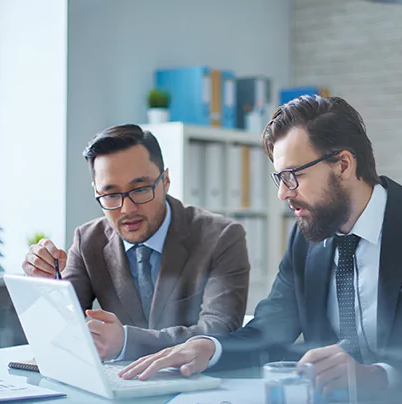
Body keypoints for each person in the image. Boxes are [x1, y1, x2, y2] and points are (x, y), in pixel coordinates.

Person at [118, 96, 402, 396]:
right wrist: (208, 347)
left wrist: (378, 377)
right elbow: (270, 329)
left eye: (293, 177)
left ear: (343, 164)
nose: (283, 195)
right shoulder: (308, 239)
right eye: (279, 179)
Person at [22, 124, 249, 362]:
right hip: (117, 384)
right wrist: (46, 286)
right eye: (111, 195)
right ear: (96, 192)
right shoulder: (88, 240)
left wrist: (128, 342)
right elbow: (60, 332)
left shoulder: (222, 237)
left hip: (195, 385)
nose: (127, 209)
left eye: (140, 189)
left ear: (166, 181)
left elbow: (219, 331)